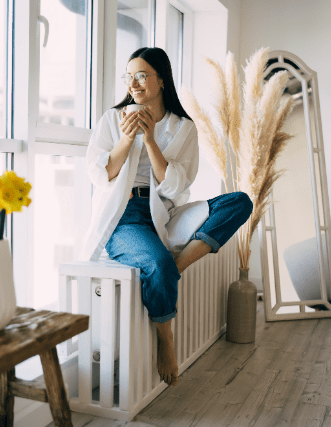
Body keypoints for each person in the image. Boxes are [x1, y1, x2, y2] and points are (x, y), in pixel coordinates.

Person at [80, 47, 252, 386]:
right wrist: (128, 138)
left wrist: (150, 140)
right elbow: (101, 175)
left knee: (240, 202)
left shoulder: (183, 127)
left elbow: (176, 189)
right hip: (124, 216)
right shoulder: (112, 120)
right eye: (129, 76)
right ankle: (166, 339)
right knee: (157, 264)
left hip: (163, 213)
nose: (134, 83)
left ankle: (177, 264)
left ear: (161, 79)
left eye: (142, 75)